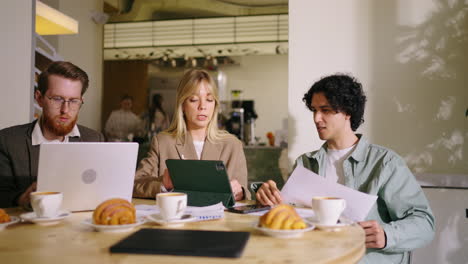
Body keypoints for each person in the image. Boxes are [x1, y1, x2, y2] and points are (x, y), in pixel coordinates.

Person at [256, 74, 435, 263]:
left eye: (325, 110)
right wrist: (270, 200)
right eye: (314, 110)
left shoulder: (385, 162)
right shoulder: (305, 163)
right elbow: (292, 216)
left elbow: (424, 222)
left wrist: (386, 235)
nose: (317, 118)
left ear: (348, 112)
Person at [0, 61, 104, 208]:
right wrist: (22, 199)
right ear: (39, 98)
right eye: (57, 99)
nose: (65, 110)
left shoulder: (94, 139)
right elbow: (2, 195)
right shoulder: (8, 141)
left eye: (74, 101)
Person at [133, 69, 249, 201]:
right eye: (194, 100)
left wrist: (240, 193)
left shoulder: (232, 145)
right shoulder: (163, 142)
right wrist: (164, 185)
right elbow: (135, 184)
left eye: (209, 100)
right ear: (182, 105)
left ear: (215, 105)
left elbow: (245, 194)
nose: (202, 106)